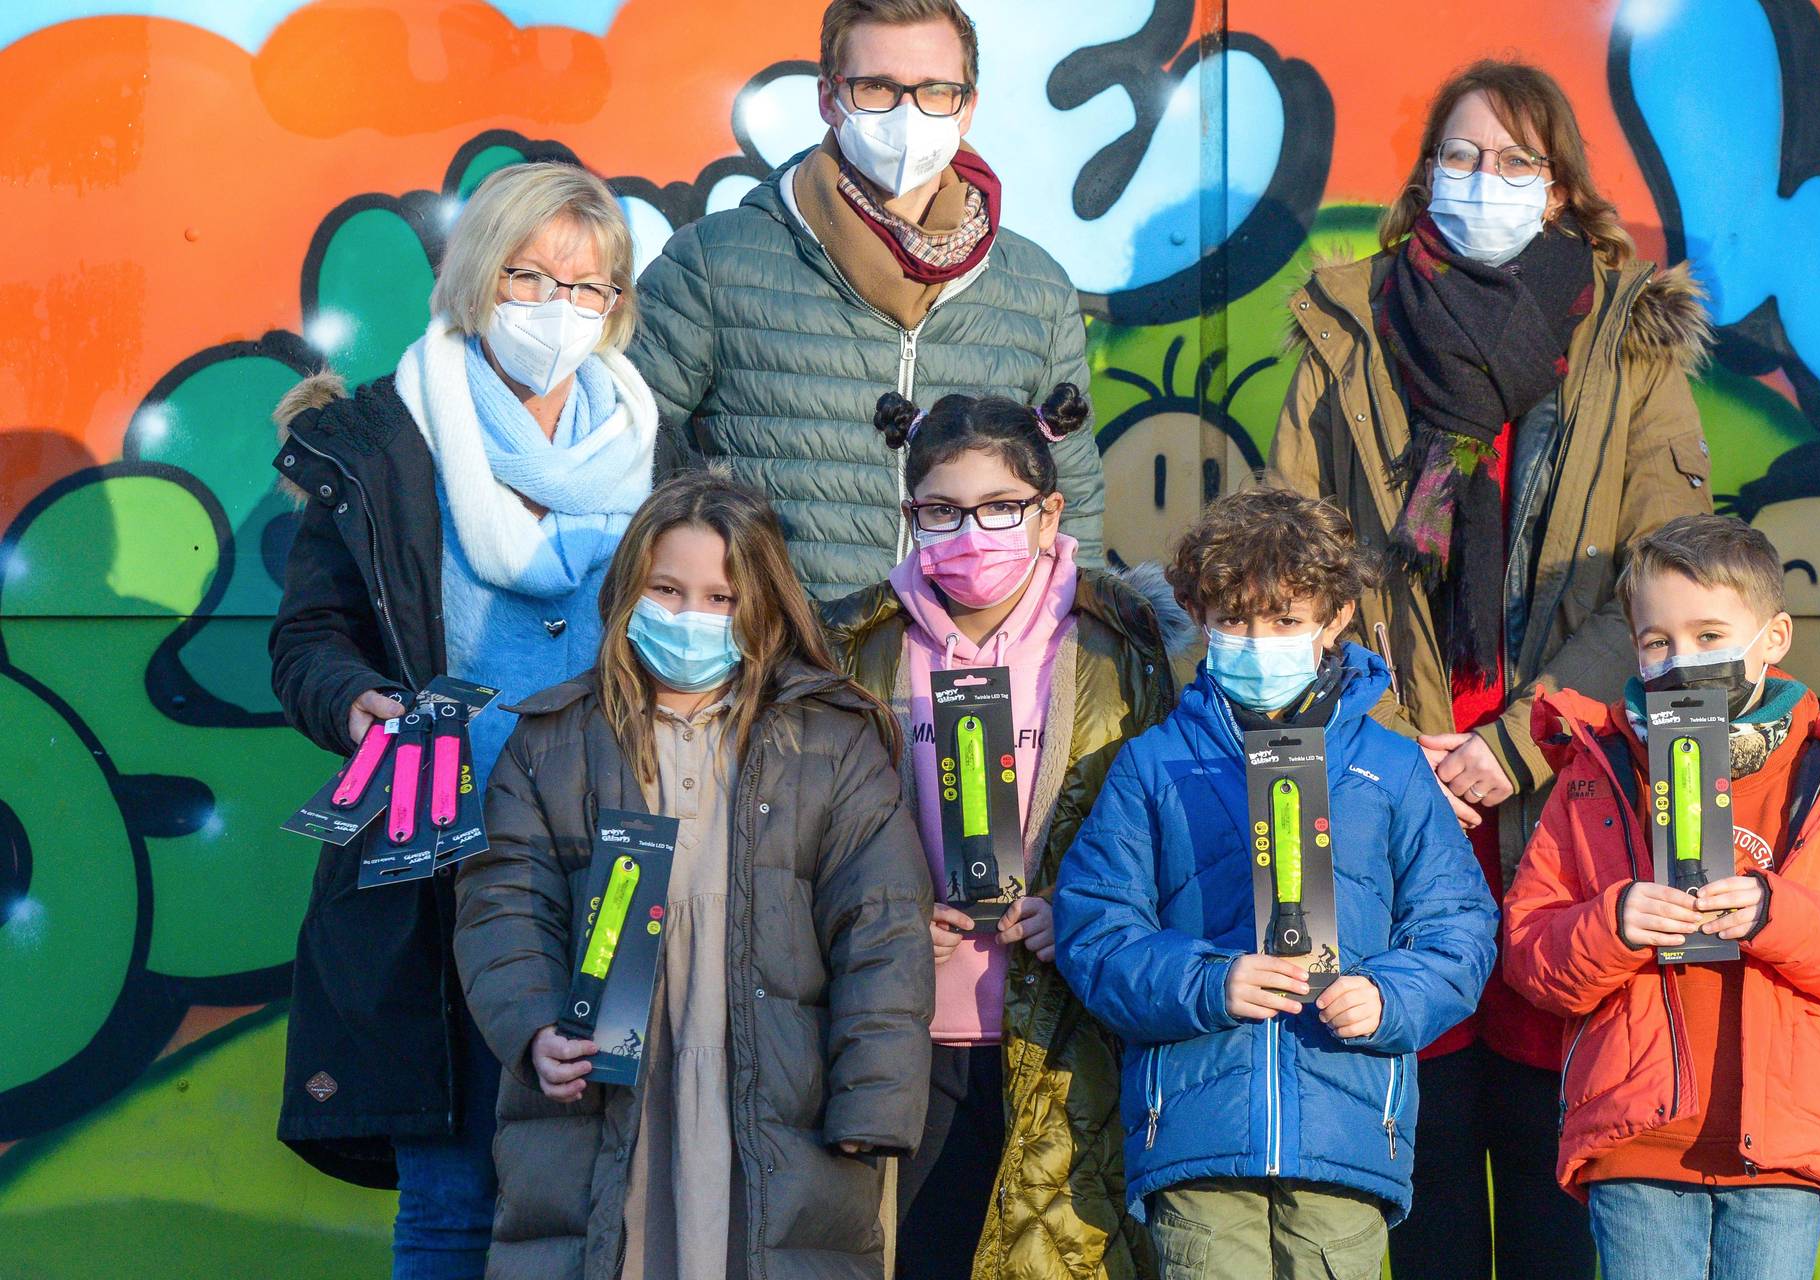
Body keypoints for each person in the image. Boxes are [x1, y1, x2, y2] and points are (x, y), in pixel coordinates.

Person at [1269, 59, 1714, 1279]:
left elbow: (1662, 579)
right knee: (1417, 1147)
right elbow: (1290, 552)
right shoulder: (1349, 323)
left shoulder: (1624, 338)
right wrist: (1400, 734)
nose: (1485, 183)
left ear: (1562, 189)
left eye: (1517, 163)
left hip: (1563, 789)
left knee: (1553, 1145)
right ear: (1423, 178)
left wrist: (1512, 740)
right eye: (1461, 158)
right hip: (1391, 776)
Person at [268, 160, 657, 1279]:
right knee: (452, 1191)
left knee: (608, 1179)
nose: (554, 309)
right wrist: (354, 702)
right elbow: (307, 640)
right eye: (528, 277)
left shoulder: (650, 449)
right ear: (477, 280)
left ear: (615, 304)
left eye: (585, 289)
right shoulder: (385, 444)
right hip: (442, 864)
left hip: (616, 865)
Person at [452, 472, 932, 1278]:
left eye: (721, 598)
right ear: (629, 591)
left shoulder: (834, 740)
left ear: (763, 606)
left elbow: (882, 926)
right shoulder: (552, 740)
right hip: (603, 1097)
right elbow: (502, 905)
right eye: (666, 589)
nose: (690, 617)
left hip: (780, 1091)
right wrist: (534, 1026)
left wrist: (875, 1095)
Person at [1051, 487, 1498, 1280]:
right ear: (1197, 616)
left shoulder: (1390, 767)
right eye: (1234, 619)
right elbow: (1095, 931)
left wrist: (1390, 998)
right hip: (1195, 1135)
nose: (1260, 640)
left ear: (1336, 620)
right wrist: (1208, 981)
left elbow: (1459, 928)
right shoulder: (1153, 764)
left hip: (1346, 1134)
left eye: (1286, 620)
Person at [1499, 514, 1820, 1280]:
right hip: (1634, 1141)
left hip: (1784, 1150)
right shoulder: (1597, 774)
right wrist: (1613, 923)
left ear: (1775, 637)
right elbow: (1530, 952)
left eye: (1708, 635)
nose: (1681, 659)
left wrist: (1777, 914)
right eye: (1656, 641)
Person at [818, 382, 1173, 1277]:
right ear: (910, 514)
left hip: (1065, 1028)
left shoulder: (1115, 642)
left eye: (1001, 508)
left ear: (1050, 511)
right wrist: (888, 912)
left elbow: (1161, 829)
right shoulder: (853, 645)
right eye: (942, 511)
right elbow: (810, 836)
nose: (970, 534)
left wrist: (1089, 911)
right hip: (908, 1028)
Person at [632, 0, 1104, 599]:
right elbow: (621, 453)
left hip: (967, 671)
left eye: (935, 90)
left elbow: (1074, 497)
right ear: (830, 98)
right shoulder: (713, 262)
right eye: (876, 87)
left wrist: (1069, 650)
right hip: (777, 671)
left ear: (967, 106)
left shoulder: (1034, 286)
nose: (907, 114)